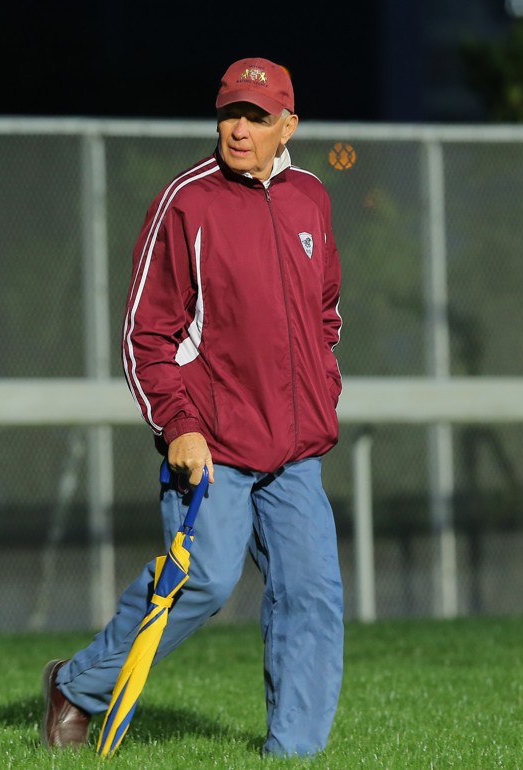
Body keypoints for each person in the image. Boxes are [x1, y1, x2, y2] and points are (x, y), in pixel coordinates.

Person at [41, 56, 345, 758]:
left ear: (287, 125)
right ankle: (78, 686)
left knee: (312, 596)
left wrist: (323, 382)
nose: (238, 129)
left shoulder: (311, 199)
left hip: (295, 448)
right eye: (229, 114)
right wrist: (179, 426)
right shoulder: (187, 202)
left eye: (256, 117)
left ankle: (294, 751)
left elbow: (325, 311)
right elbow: (145, 334)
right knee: (203, 580)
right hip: (212, 442)